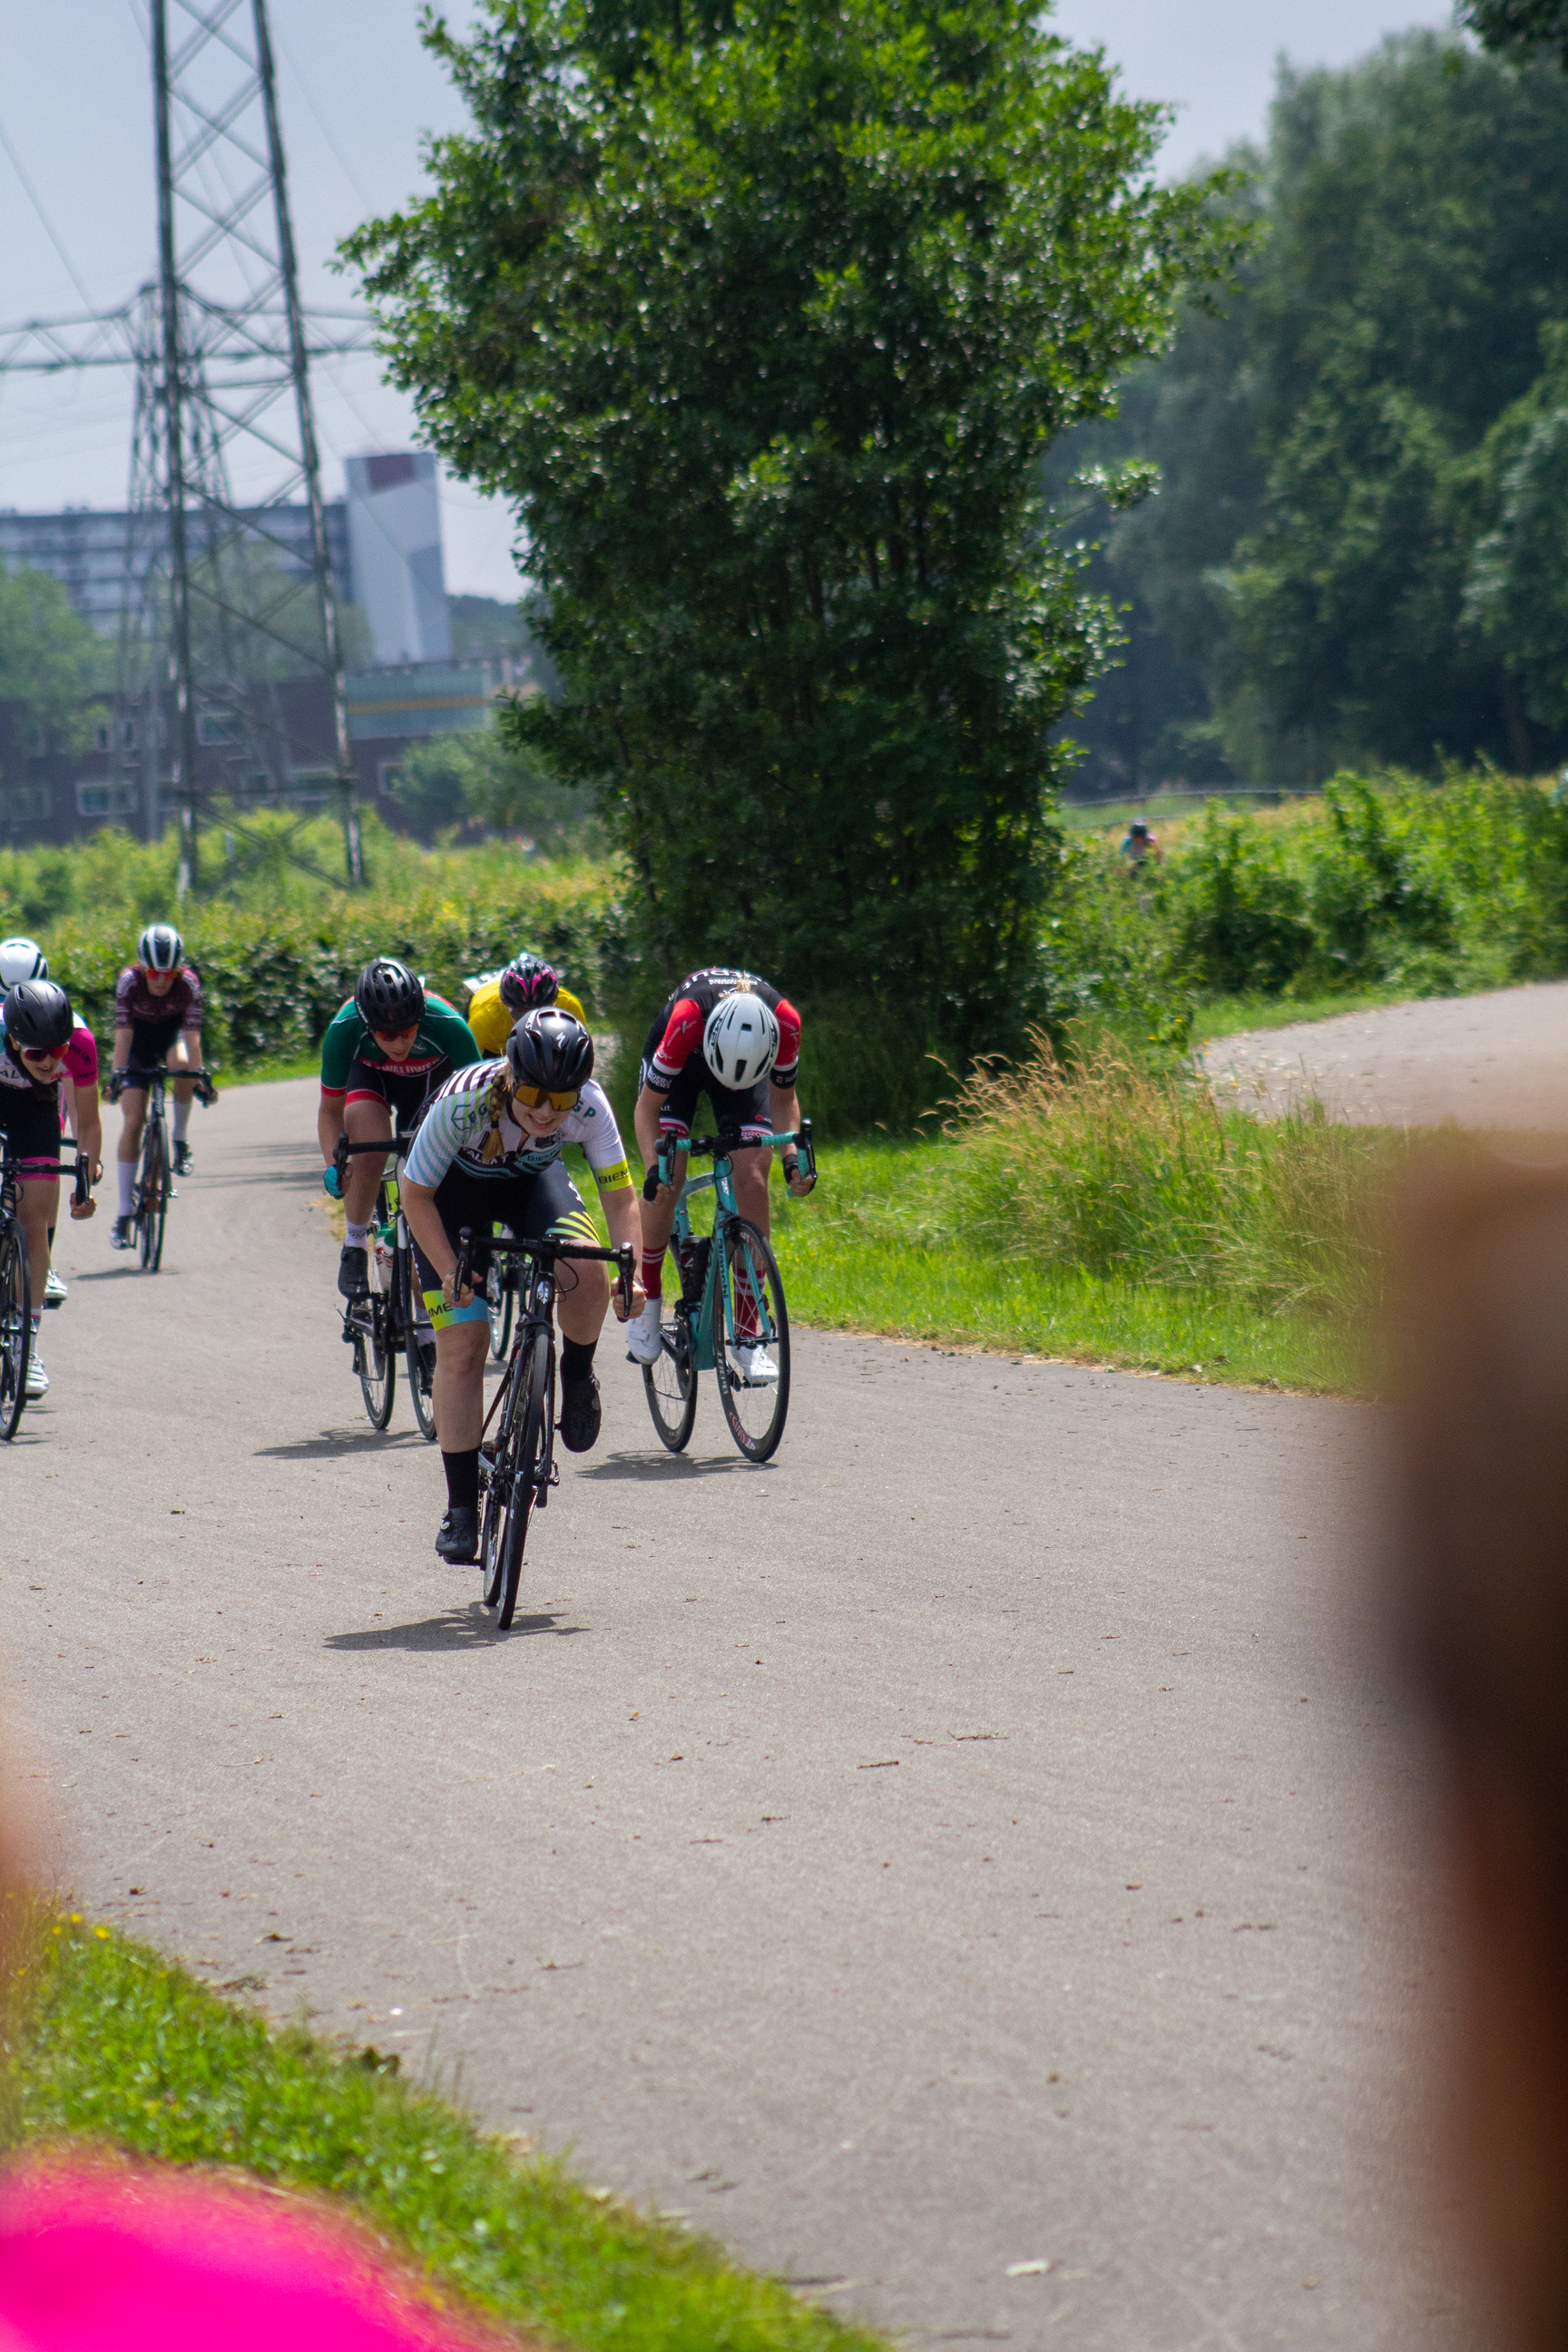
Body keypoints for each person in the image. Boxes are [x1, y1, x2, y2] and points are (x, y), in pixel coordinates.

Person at [1385, 1160, 1568, 2352]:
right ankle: (673, 1289)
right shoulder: (679, 1036)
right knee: (682, 1178)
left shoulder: (768, 1029)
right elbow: (679, 1122)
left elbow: (784, 1124)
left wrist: (791, 1153)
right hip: (681, 1107)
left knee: (759, 1174)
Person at [400, 1006, 643, 1563]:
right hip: (447, 1197)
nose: (545, 1112)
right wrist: (446, 1270)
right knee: (464, 1341)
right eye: (533, 1095)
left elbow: (619, 1195)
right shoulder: (462, 1102)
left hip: (530, 1185)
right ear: (511, 1074)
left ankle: (576, 1374)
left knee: (588, 1269)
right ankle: (462, 1509)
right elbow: (416, 1197)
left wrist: (634, 1273)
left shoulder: (589, 1105)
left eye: (561, 1102)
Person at [624, 968, 814, 1377]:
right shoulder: (687, 1019)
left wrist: (792, 1159)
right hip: (683, 1062)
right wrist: (654, 1169)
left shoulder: (785, 1022)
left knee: (752, 1175)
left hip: (745, 1074)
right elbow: (646, 1110)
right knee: (669, 1173)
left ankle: (749, 1332)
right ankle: (650, 1295)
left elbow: (784, 1099)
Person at [317, 958, 480, 1300]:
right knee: (370, 1148)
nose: (399, 1043)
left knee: (433, 1157)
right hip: (371, 1079)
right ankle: (355, 1241)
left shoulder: (449, 1024)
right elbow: (330, 1112)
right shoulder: (344, 1029)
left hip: (431, 1083)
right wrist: (335, 1165)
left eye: (408, 1030)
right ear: (366, 1024)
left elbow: (478, 1106)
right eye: (386, 1034)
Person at [0, 979, 99, 1396]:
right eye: (37, 1053)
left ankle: (28, 1349)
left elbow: (89, 1123)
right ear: (13, 1039)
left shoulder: (78, 1042)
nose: (48, 1061)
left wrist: (85, 1180)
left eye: (55, 1052)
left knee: (36, 1220)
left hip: (37, 1113)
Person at [110, 922, 211, 1247]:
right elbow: (123, 1037)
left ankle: (179, 1138)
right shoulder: (129, 982)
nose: (161, 980)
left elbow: (193, 1039)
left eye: (168, 974)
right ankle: (124, 1211)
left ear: (178, 971)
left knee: (183, 1067)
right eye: (153, 973)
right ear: (142, 967)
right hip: (137, 1044)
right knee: (134, 1120)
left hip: (170, 1038)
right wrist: (116, 1076)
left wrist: (201, 1077)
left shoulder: (189, 985)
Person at [464, 952, 586, 1057]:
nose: (530, 1023)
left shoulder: (569, 1008)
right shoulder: (484, 1019)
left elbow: (582, 1063)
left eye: (541, 1015)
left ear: (555, 1004)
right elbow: (466, 1069)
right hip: (491, 1042)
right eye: (520, 1014)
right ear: (504, 1005)